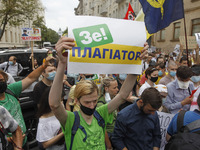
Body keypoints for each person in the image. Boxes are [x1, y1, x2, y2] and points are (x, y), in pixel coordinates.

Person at [49, 37, 148, 149]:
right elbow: (55, 104)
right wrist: (62, 63)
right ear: (76, 100)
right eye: (87, 102)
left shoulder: (100, 114)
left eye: (95, 101)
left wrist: (137, 63)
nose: (92, 106)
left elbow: (122, 95)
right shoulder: (70, 120)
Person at [0, 56, 53, 148]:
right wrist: (10, 139)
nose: (1, 83)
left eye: (2, 81)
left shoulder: (11, 90)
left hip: (23, 142)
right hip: (7, 145)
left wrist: (43, 66)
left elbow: (30, 78)